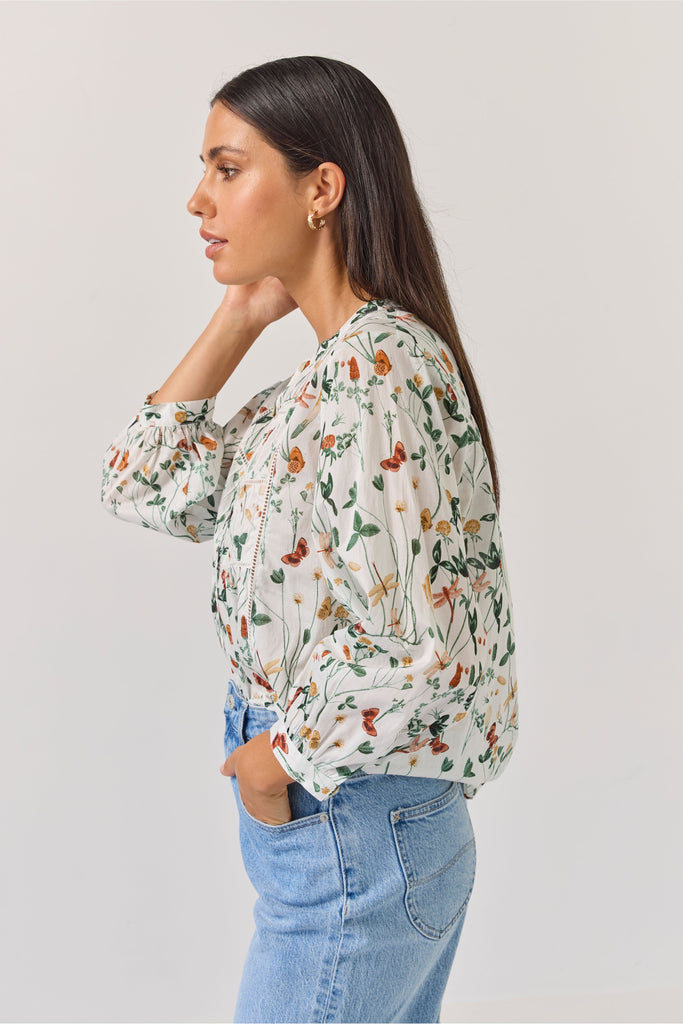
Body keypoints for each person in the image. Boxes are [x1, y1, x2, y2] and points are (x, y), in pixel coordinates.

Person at [100, 55, 519, 1024]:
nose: (197, 198)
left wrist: (277, 756)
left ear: (320, 187)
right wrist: (242, 313)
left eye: (227, 168)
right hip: (350, 831)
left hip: (351, 832)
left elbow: (433, 643)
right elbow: (145, 482)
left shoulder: (380, 373)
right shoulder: (325, 384)